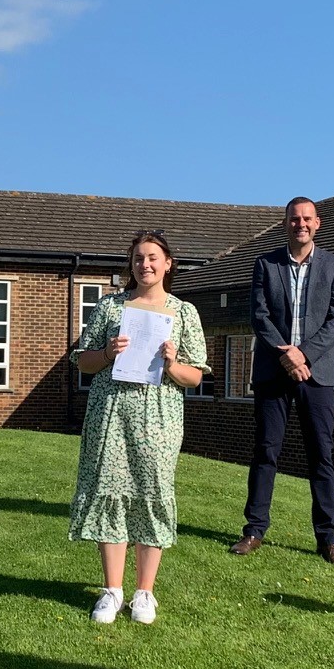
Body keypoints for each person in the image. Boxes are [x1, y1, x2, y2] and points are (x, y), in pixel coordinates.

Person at [70, 231, 209, 625]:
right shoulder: (110, 306)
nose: (144, 265)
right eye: (136, 258)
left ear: (167, 264)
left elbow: (195, 376)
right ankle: (112, 590)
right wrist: (107, 352)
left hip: (159, 417)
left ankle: (144, 593)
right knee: (110, 491)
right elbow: (83, 362)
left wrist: (171, 363)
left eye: (152, 258)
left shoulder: (184, 312)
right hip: (111, 411)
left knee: (152, 492)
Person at [231, 197, 334, 565]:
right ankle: (254, 530)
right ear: (286, 223)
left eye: (307, 219)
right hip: (273, 372)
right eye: (294, 219)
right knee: (266, 451)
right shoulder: (266, 264)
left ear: (318, 223)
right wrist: (287, 356)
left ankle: (327, 538)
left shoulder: (333, 265)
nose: (300, 224)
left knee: (322, 456)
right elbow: (259, 314)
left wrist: (305, 354)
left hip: (317, 376)